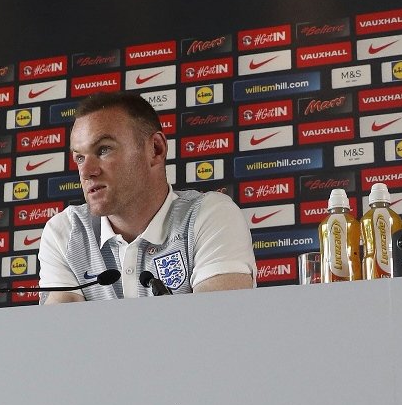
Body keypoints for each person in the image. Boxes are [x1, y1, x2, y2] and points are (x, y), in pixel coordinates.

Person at [37, 92, 256, 301]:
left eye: (104, 150)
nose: (86, 172)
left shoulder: (210, 216)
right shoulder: (65, 232)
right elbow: (62, 334)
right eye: (80, 158)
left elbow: (220, 327)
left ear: (155, 149)